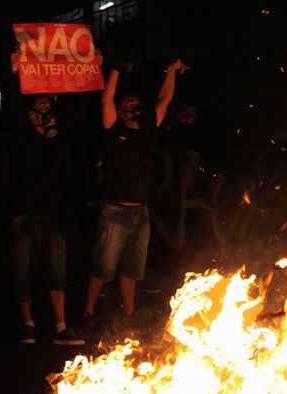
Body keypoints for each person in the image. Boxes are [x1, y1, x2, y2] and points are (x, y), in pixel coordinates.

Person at [83, 58, 190, 325]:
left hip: (140, 213)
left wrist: (171, 71)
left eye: (135, 103)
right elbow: (106, 99)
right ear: (120, 112)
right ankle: (88, 313)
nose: (134, 105)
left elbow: (165, 99)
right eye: (127, 104)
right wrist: (116, 70)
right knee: (102, 268)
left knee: (131, 270)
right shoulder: (113, 130)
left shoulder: (148, 131)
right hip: (114, 211)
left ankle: (128, 316)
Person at [7, 92, 85, 346]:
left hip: (50, 217)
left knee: (57, 271)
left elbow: (77, 111)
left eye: (49, 105)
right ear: (30, 114)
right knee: (22, 271)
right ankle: (28, 325)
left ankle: (61, 327)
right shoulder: (21, 138)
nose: (47, 107)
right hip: (23, 216)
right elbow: (13, 105)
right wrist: (15, 71)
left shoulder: (58, 141)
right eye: (41, 105)